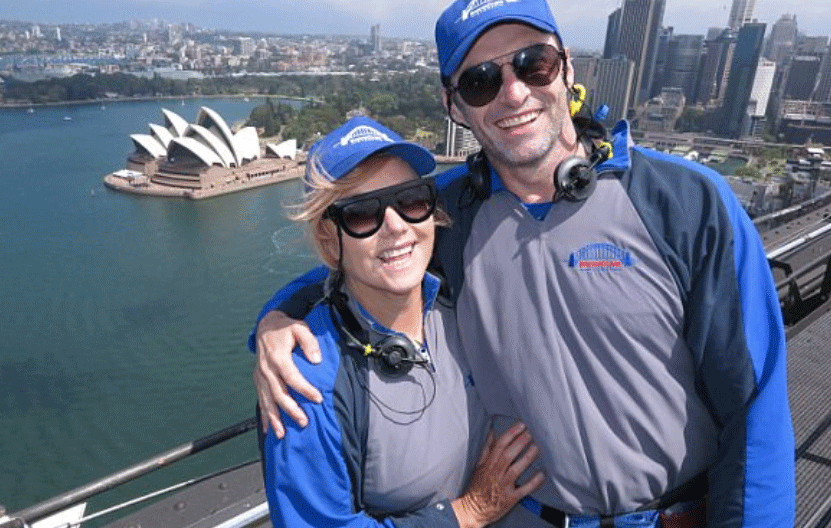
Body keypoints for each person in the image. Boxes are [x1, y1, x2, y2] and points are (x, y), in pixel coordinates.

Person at [251, 1, 796, 526]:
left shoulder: (686, 203)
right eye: (481, 80)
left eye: (533, 64)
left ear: (567, 69)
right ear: (454, 105)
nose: (514, 93)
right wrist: (278, 321)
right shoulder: (445, 214)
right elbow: (365, 258)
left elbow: (756, 413)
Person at [257, 115, 545, 528]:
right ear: (328, 240)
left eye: (411, 200)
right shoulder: (307, 383)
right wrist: (467, 513)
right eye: (360, 213)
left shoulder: (459, 303)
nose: (396, 227)